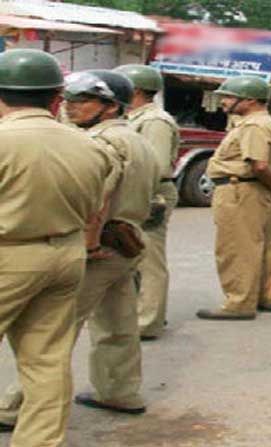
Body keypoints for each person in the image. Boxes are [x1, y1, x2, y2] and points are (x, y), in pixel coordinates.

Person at [0, 49, 115, 447]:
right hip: (65, 254)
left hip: (9, 255)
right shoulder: (90, 145)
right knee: (46, 360)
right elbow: (97, 206)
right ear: (55, 99)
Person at [61, 69, 160, 415]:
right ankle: (119, 391)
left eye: (83, 100)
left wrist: (88, 246)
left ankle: (16, 407)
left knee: (54, 331)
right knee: (118, 325)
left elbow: (97, 201)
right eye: (70, 99)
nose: (71, 107)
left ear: (110, 107)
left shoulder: (102, 142)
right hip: (127, 242)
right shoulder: (137, 139)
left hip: (100, 247)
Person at [197, 76, 271, 319]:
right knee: (261, 245)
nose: (224, 102)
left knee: (237, 247)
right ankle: (267, 296)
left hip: (241, 190)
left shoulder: (253, 126)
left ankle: (239, 303)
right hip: (253, 190)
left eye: (228, 97)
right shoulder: (268, 123)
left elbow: (259, 165)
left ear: (249, 99)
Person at [114, 64, 180, 341]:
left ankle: (148, 321)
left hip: (151, 193)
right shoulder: (135, 117)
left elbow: (158, 166)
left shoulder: (155, 121)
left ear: (136, 90)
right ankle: (137, 313)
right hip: (135, 192)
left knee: (149, 260)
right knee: (131, 255)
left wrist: (146, 199)